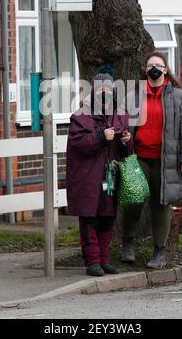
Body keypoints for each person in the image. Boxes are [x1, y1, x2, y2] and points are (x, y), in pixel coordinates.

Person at [121, 51, 182, 269]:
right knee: (133, 201)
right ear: (145, 70)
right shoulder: (134, 96)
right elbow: (122, 125)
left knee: (161, 205)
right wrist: (124, 137)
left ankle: (159, 252)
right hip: (139, 159)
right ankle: (127, 244)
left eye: (159, 65)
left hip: (167, 161)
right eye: (150, 65)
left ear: (165, 70)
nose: (154, 68)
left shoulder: (178, 97)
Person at [66, 68, 132, 277]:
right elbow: (78, 144)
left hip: (110, 177)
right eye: (100, 88)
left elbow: (127, 151)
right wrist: (101, 137)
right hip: (88, 178)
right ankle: (92, 261)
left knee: (107, 218)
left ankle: (104, 260)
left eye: (108, 88)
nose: (104, 91)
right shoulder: (80, 117)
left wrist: (125, 142)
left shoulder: (120, 115)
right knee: (89, 219)